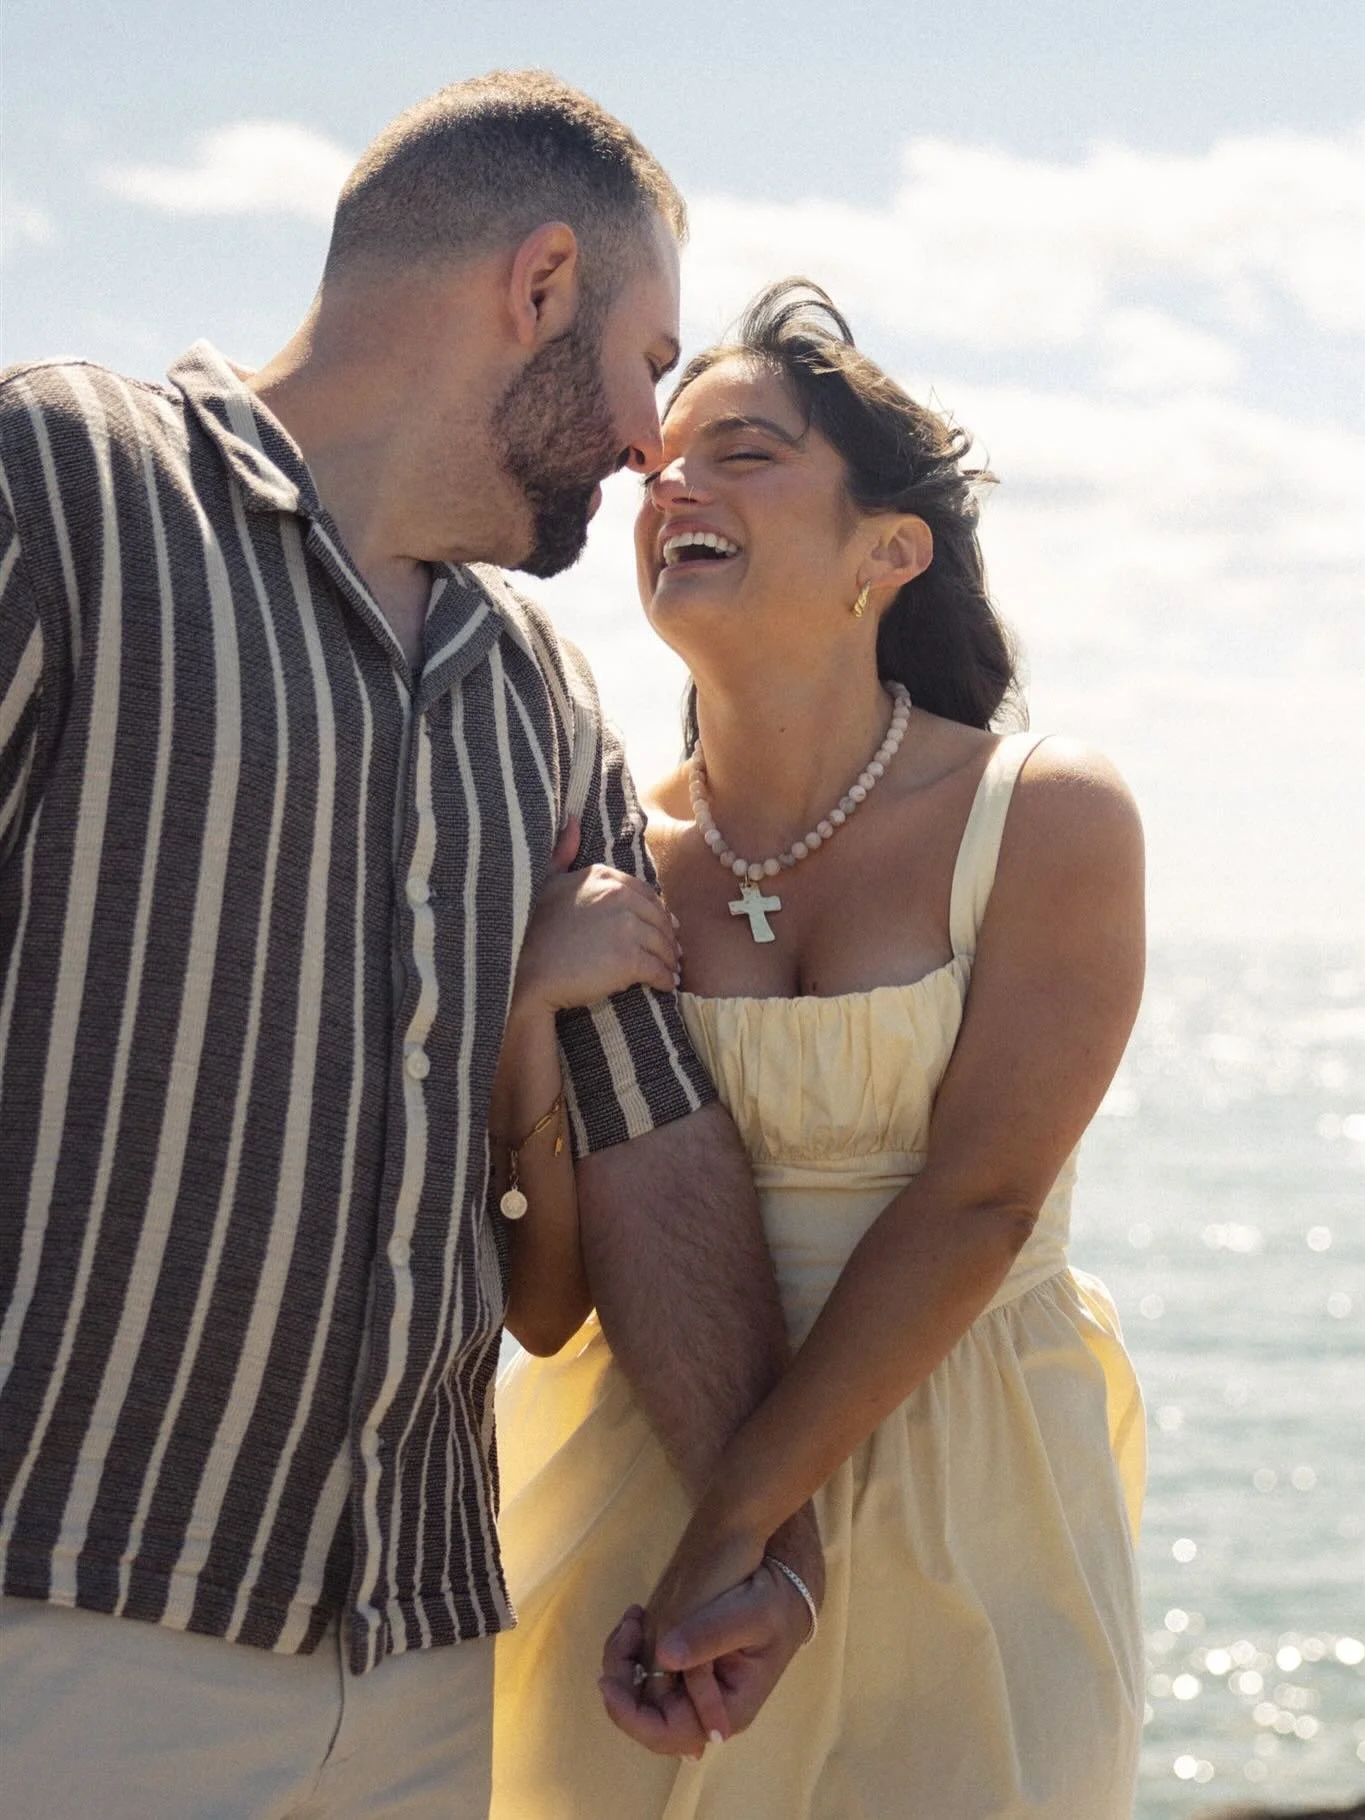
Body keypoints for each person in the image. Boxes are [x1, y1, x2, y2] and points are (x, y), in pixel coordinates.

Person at [0, 76, 820, 1820]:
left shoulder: (545, 697)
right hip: (61, 1625)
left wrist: (758, 1534)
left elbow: (653, 1145)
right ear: (536, 287)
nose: (649, 439)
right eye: (648, 362)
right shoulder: (65, 482)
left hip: (427, 1664)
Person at [490, 280, 1149, 1818]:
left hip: (970, 1500)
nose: (671, 483)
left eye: (748, 454)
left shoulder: (1045, 815)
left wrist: (743, 1536)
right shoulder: (597, 853)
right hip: (629, 1506)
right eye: (663, 462)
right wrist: (527, 1010)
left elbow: (978, 1203)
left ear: (887, 553)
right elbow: (547, 1300)